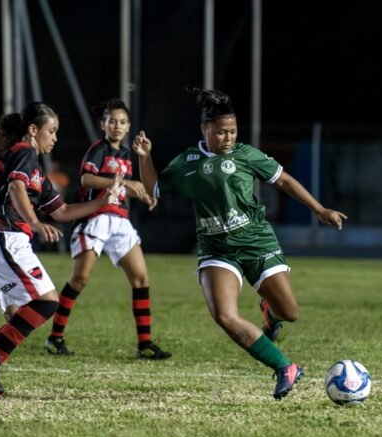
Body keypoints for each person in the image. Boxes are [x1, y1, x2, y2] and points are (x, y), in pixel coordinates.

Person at [131, 89, 346, 399]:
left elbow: (283, 180)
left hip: (256, 241)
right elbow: (154, 188)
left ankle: (270, 314)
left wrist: (320, 209)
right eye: (221, 131)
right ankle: (285, 367)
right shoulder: (187, 162)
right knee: (224, 315)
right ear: (204, 129)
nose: (228, 137)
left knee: (290, 312)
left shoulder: (246, 155)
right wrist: (145, 157)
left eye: (232, 131)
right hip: (216, 249)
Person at [0, 102, 123, 401]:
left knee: (18, 314)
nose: (54, 138)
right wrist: (35, 222)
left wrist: (104, 201)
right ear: (33, 130)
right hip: (4, 238)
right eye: (51, 131)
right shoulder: (24, 151)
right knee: (46, 302)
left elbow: (63, 211)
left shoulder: (38, 174)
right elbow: (17, 188)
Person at [44, 99, 172, 360]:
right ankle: (55, 337)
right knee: (79, 279)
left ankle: (144, 343)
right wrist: (127, 183)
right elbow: (87, 179)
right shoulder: (98, 150)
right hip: (95, 217)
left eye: (122, 122)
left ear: (129, 127)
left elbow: (125, 189)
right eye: (112, 121)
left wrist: (143, 195)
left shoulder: (127, 155)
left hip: (120, 221)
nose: (117, 126)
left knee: (141, 279)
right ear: (103, 124)